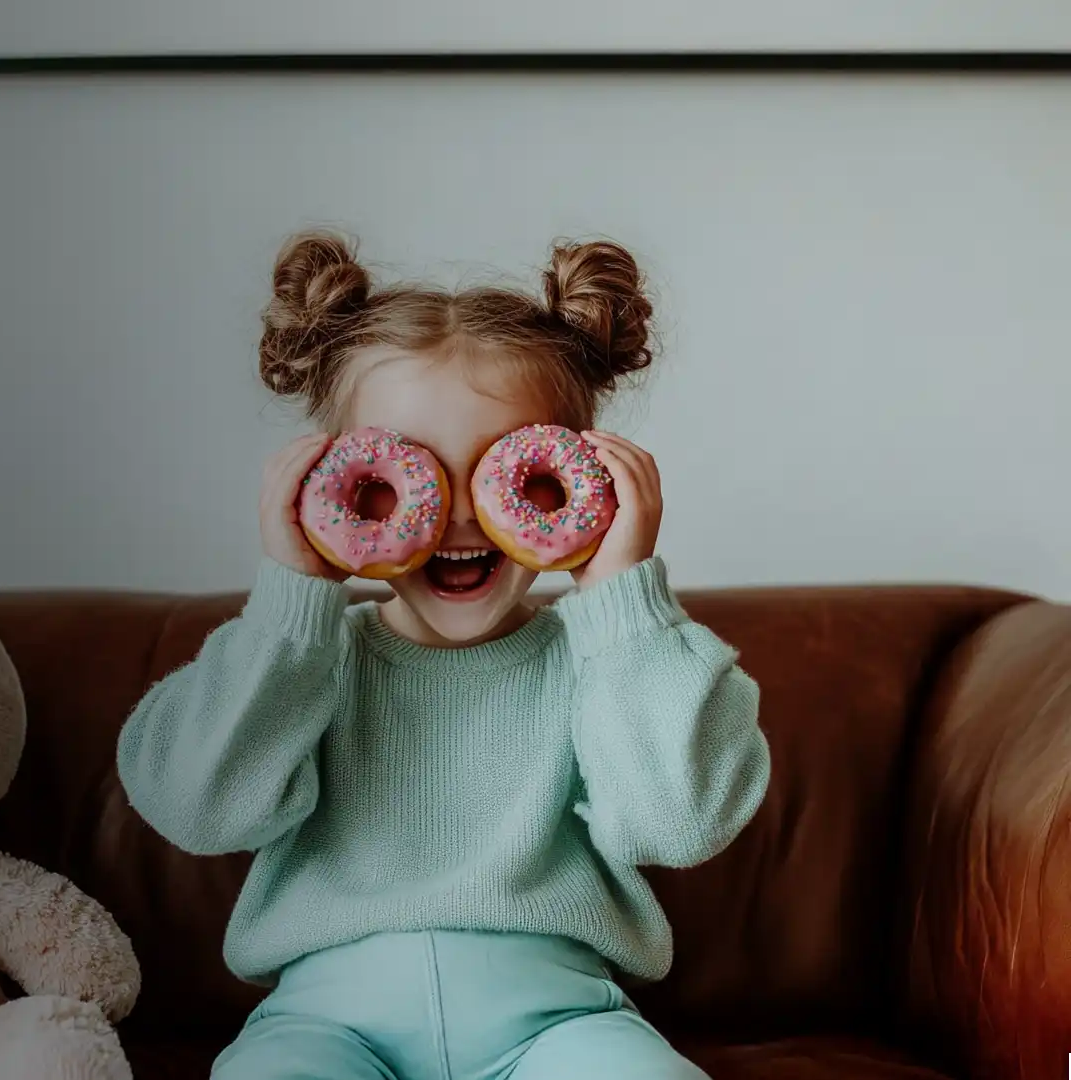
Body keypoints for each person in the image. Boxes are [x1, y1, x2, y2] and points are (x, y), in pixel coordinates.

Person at [116, 230, 770, 1079]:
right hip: (325, 1027)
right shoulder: (308, 661)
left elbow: (677, 824)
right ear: (329, 487)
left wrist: (621, 599)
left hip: (559, 1023)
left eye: (515, 475)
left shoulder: (600, 663)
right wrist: (291, 604)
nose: (458, 519)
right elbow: (198, 807)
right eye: (401, 478)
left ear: (584, 479)